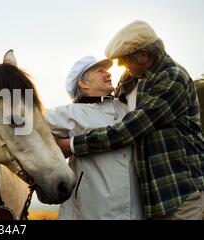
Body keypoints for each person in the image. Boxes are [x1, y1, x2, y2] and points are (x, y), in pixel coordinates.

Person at [56, 20, 204, 220]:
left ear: (143, 55)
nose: (118, 67)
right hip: (146, 198)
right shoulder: (132, 76)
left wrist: (72, 144)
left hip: (177, 191)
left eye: (123, 60)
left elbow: (128, 130)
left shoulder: (172, 78)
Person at [46, 55, 143, 219]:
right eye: (101, 71)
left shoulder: (123, 105)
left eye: (108, 70)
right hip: (93, 210)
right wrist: (60, 148)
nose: (109, 74)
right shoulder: (69, 113)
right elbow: (35, 138)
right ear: (83, 83)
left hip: (135, 211)